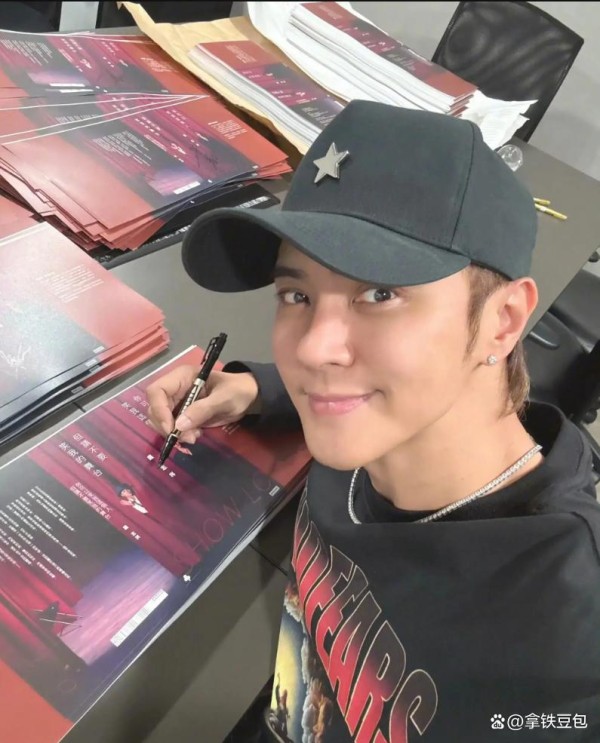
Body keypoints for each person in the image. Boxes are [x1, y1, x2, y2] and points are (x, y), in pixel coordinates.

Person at [146, 102, 600, 742]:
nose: (312, 349)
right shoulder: (369, 427)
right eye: (297, 295)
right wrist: (257, 388)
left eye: (381, 293)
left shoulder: (568, 650)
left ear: (502, 322)